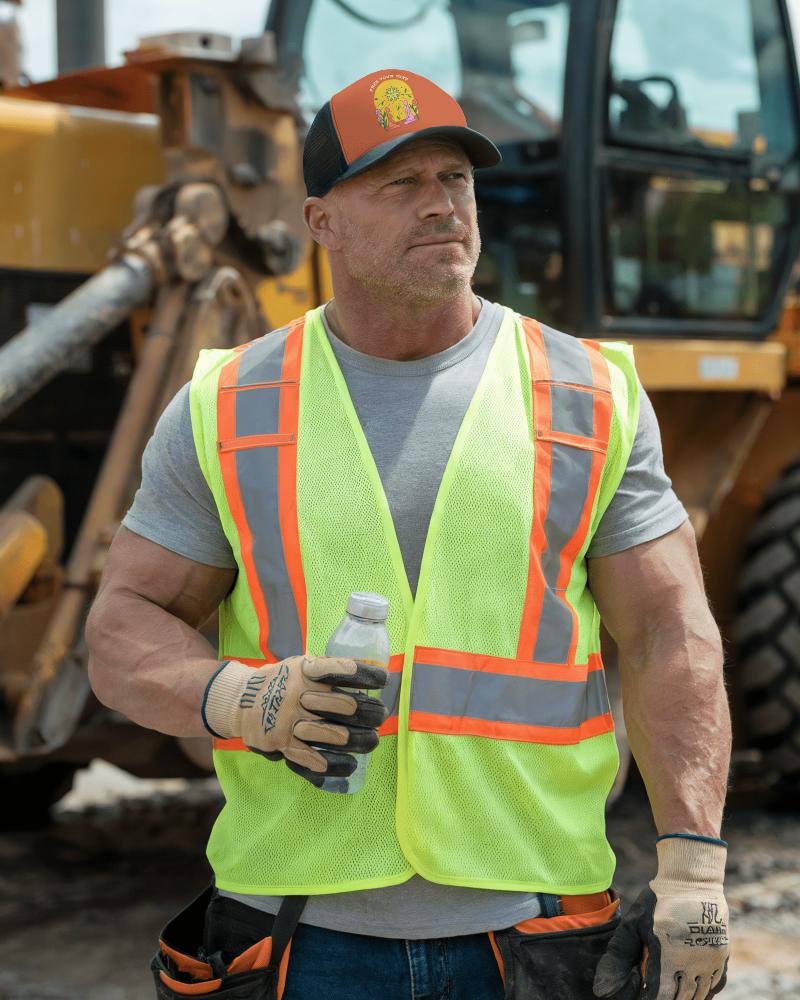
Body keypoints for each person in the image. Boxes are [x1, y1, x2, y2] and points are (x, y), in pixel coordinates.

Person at [86, 68, 731, 1000]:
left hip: (538, 931)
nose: (442, 207)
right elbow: (121, 629)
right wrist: (235, 697)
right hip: (299, 936)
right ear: (321, 222)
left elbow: (672, 634)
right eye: (400, 184)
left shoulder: (589, 396)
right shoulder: (225, 406)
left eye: (455, 181)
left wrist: (695, 868)